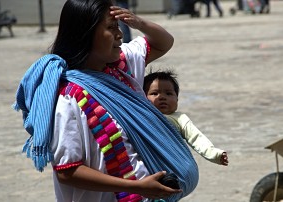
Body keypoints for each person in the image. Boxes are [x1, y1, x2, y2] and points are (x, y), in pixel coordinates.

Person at [12, 0, 199, 201]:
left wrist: (139, 23)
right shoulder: (69, 97)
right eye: (111, 27)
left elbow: (164, 42)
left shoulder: (121, 68)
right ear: (85, 33)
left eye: (118, 25)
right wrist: (137, 187)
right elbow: (68, 171)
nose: (120, 34)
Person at [143, 70, 229, 166]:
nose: (162, 97)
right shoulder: (140, 116)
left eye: (168, 93)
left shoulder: (180, 119)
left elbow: (197, 138)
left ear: (177, 99)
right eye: (154, 93)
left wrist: (214, 154)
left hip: (171, 163)